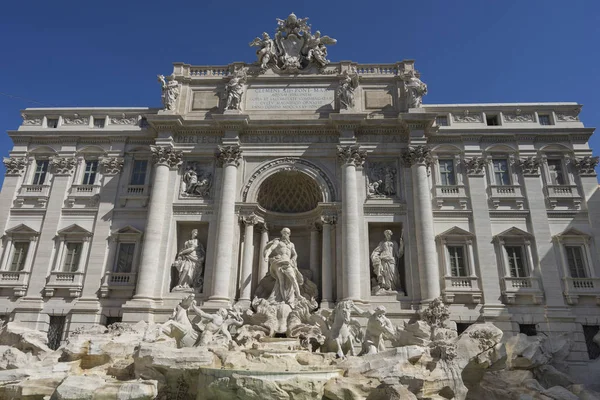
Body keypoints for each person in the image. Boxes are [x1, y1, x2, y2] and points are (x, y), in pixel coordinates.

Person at [263, 227, 304, 305]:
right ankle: (284, 299)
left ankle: (298, 295)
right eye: (284, 232)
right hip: (279, 262)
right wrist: (266, 256)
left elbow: (295, 254)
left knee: (293, 279)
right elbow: (271, 249)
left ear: (289, 234)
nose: (286, 234)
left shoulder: (291, 244)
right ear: (281, 233)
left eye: (288, 233)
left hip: (288, 263)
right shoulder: (277, 242)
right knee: (281, 281)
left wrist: (293, 260)